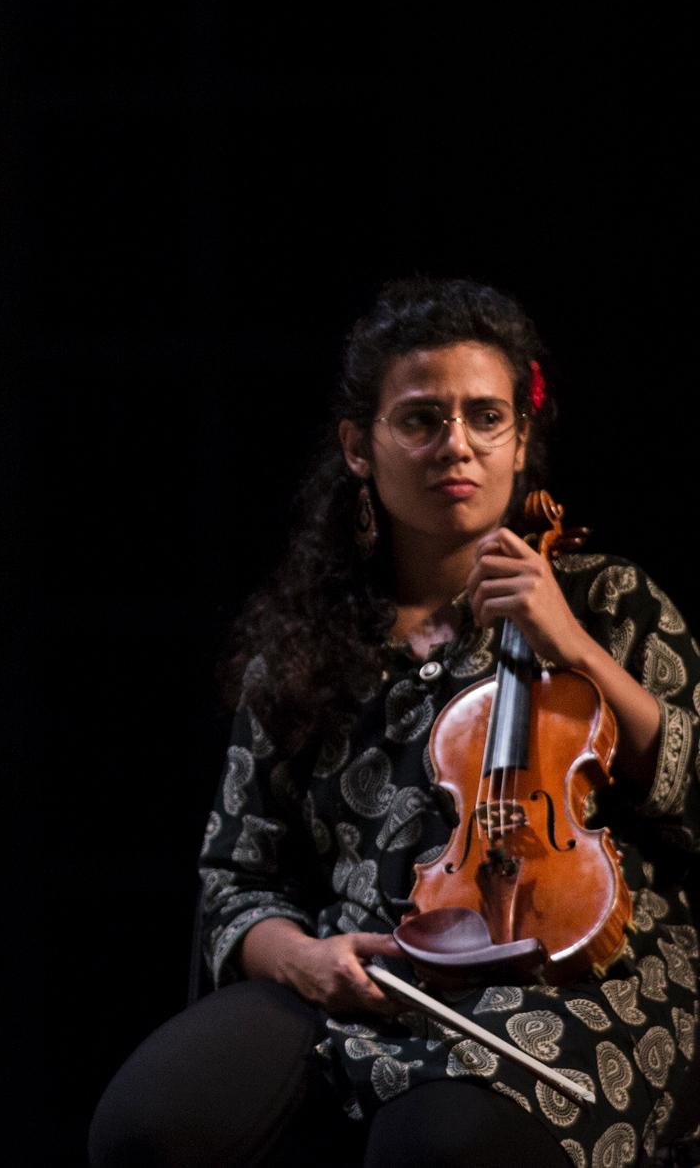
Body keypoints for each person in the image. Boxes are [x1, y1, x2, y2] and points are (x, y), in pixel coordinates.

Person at [91, 279, 696, 1168]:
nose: (457, 443)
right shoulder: (300, 646)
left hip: (571, 973)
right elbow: (236, 876)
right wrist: (303, 958)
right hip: (367, 978)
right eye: (421, 418)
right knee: (147, 1127)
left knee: (437, 1149)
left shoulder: (607, 601)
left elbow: (690, 780)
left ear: (519, 439)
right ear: (358, 446)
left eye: (486, 416)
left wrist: (572, 646)